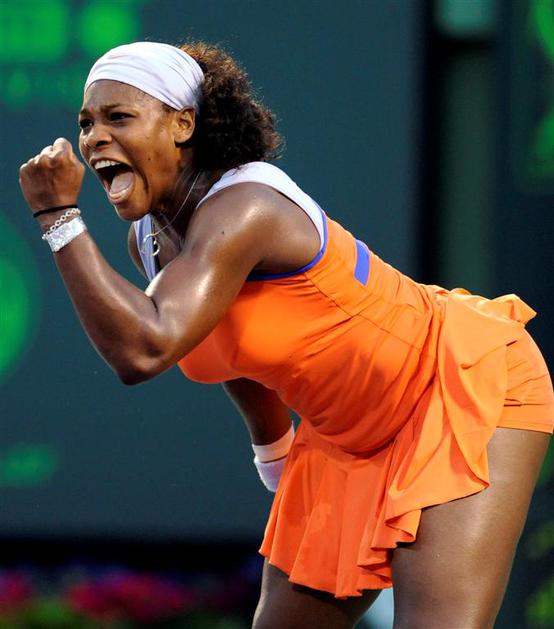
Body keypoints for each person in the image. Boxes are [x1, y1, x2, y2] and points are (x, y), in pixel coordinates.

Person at [19, 41, 553, 629]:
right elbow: (230, 346)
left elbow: (144, 351)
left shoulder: (248, 207)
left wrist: (58, 218)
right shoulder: (149, 238)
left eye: (118, 117)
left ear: (182, 124)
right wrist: (274, 452)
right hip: (341, 440)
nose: (94, 137)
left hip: (454, 383)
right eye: (86, 123)